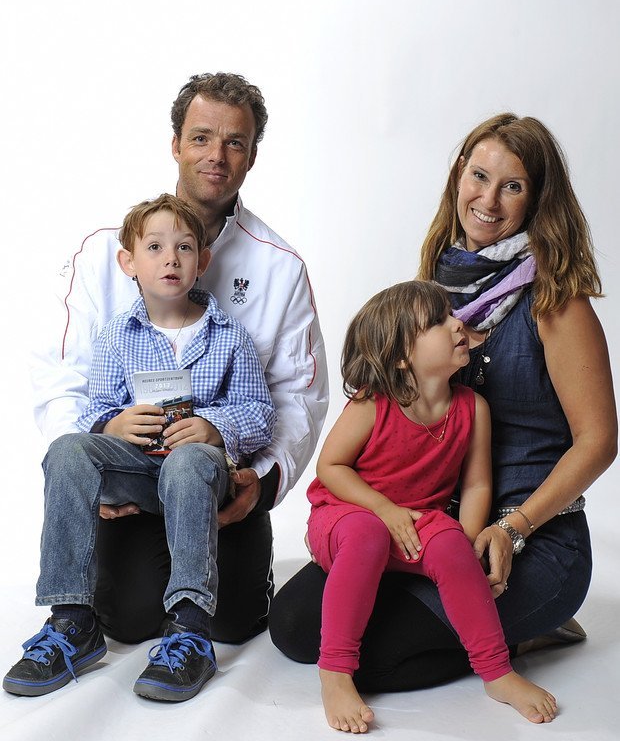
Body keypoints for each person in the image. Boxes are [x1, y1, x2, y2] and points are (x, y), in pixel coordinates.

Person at [270, 113, 617, 693]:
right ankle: (499, 627)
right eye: (479, 176)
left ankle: (532, 625)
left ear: (537, 200)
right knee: (296, 626)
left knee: (369, 658)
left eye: (512, 186)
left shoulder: (557, 302)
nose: (489, 199)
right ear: (459, 174)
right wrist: (369, 513)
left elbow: (599, 442)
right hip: (434, 524)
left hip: (530, 535)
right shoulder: (437, 287)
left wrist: (513, 529)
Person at [30, 73, 328, 645]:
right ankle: (72, 621)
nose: (217, 155)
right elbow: (63, 374)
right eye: (201, 137)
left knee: (232, 624)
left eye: (235, 142)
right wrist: (95, 464)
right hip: (132, 477)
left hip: (221, 481)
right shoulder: (104, 253)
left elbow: (298, 396)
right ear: (175, 144)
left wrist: (262, 483)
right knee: (128, 622)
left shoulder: (280, 267)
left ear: (252, 156)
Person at [4, 194, 276, 701]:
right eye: (155, 247)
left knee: (190, 460)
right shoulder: (116, 337)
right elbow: (95, 409)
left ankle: (190, 631)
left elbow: (259, 413)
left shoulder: (229, 337)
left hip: (201, 474)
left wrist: (214, 427)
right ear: (128, 262)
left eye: (184, 247)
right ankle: (72, 621)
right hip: (139, 472)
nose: (170, 258)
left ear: (203, 260)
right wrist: (112, 424)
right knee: (68, 450)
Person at [308, 280, 557, 731]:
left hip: (415, 523)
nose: (457, 323)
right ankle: (336, 672)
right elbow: (331, 467)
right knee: (367, 534)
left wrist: (466, 544)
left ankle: (496, 671)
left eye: (451, 314)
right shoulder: (372, 403)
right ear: (402, 357)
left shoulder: (472, 407)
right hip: (347, 517)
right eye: (438, 321)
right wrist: (383, 509)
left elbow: (477, 484)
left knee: (450, 543)